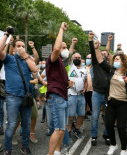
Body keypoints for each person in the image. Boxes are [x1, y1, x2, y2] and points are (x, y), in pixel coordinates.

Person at [0, 27, 37, 155]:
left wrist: (25, 56)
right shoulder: (9, 59)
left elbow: (35, 69)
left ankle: (24, 146)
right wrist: (7, 35)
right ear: (13, 48)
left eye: (23, 46)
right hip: (13, 97)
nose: (20, 48)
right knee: (12, 124)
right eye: (18, 46)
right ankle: (8, 149)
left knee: (26, 124)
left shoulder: (27, 59)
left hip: (26, 97)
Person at [95, 45, 127, 155]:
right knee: (108, 124)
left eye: (117, 59)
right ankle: (113, 145)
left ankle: (124, 149)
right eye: (114, 59)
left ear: (123, 61)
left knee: (121, 127)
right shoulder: (111, 71)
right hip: (111, 102)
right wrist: (96, 48)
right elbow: (100, 60)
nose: (115, 61)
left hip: (123, 104)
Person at [46, 22, 72, 155]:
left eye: (66, 47)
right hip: (56, 97)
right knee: (59, 129)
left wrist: (68, 82)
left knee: (63, 129)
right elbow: (56, 49)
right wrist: (61, 29)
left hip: (62, 97)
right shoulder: (53, 59)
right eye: (63, 47)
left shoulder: (61, 62)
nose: (65, 49)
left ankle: (57, 151)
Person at [89, 32, 110, 146]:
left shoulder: (110, 66)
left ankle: (106, 135)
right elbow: (93, 52)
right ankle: (94, 136)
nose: (102, 54)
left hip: (108, 95)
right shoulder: (96, 64)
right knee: (95, 116)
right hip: (96, 94)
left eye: (104, 53)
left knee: (107, 117)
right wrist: (90, 41)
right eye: (101, 53)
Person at [67, 52, 87, 139]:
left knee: (81, 114)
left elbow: (85, 81)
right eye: (75, 57)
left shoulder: (84, 69)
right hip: (71, 95)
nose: (77, 59)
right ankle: (68, 130)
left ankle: (77, 129)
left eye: (79, 57)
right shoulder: (71, 67)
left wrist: (85, 88)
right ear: (72, 59)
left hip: (81, 95)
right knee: (71, 115)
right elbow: (68, 54)